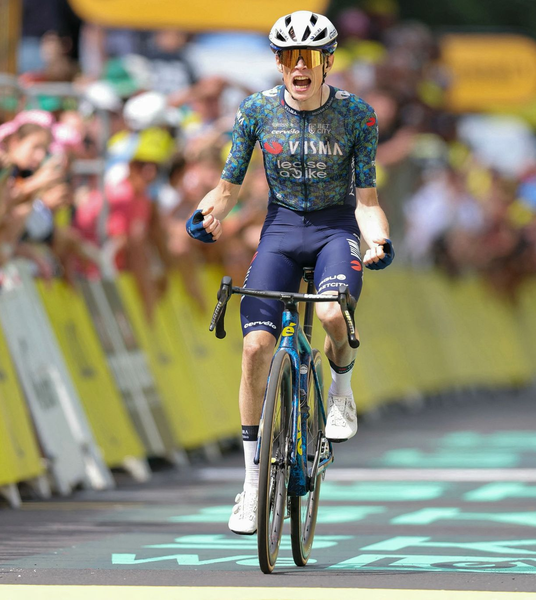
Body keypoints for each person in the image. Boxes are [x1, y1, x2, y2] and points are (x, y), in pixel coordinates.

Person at [185, 10, 394, 535]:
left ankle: (341, 388)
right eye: (289, 57)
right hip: (279, 230)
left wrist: (379, 240)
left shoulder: (357, 116)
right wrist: (208, 211)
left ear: (328, 62)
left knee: (328, 314)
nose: (299, 67)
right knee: (255, 347)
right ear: (279, 63)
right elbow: (229, 186)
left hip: (334, 229)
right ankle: (253, 481)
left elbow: (367, 200)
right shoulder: (255, 109)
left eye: (310, 57)